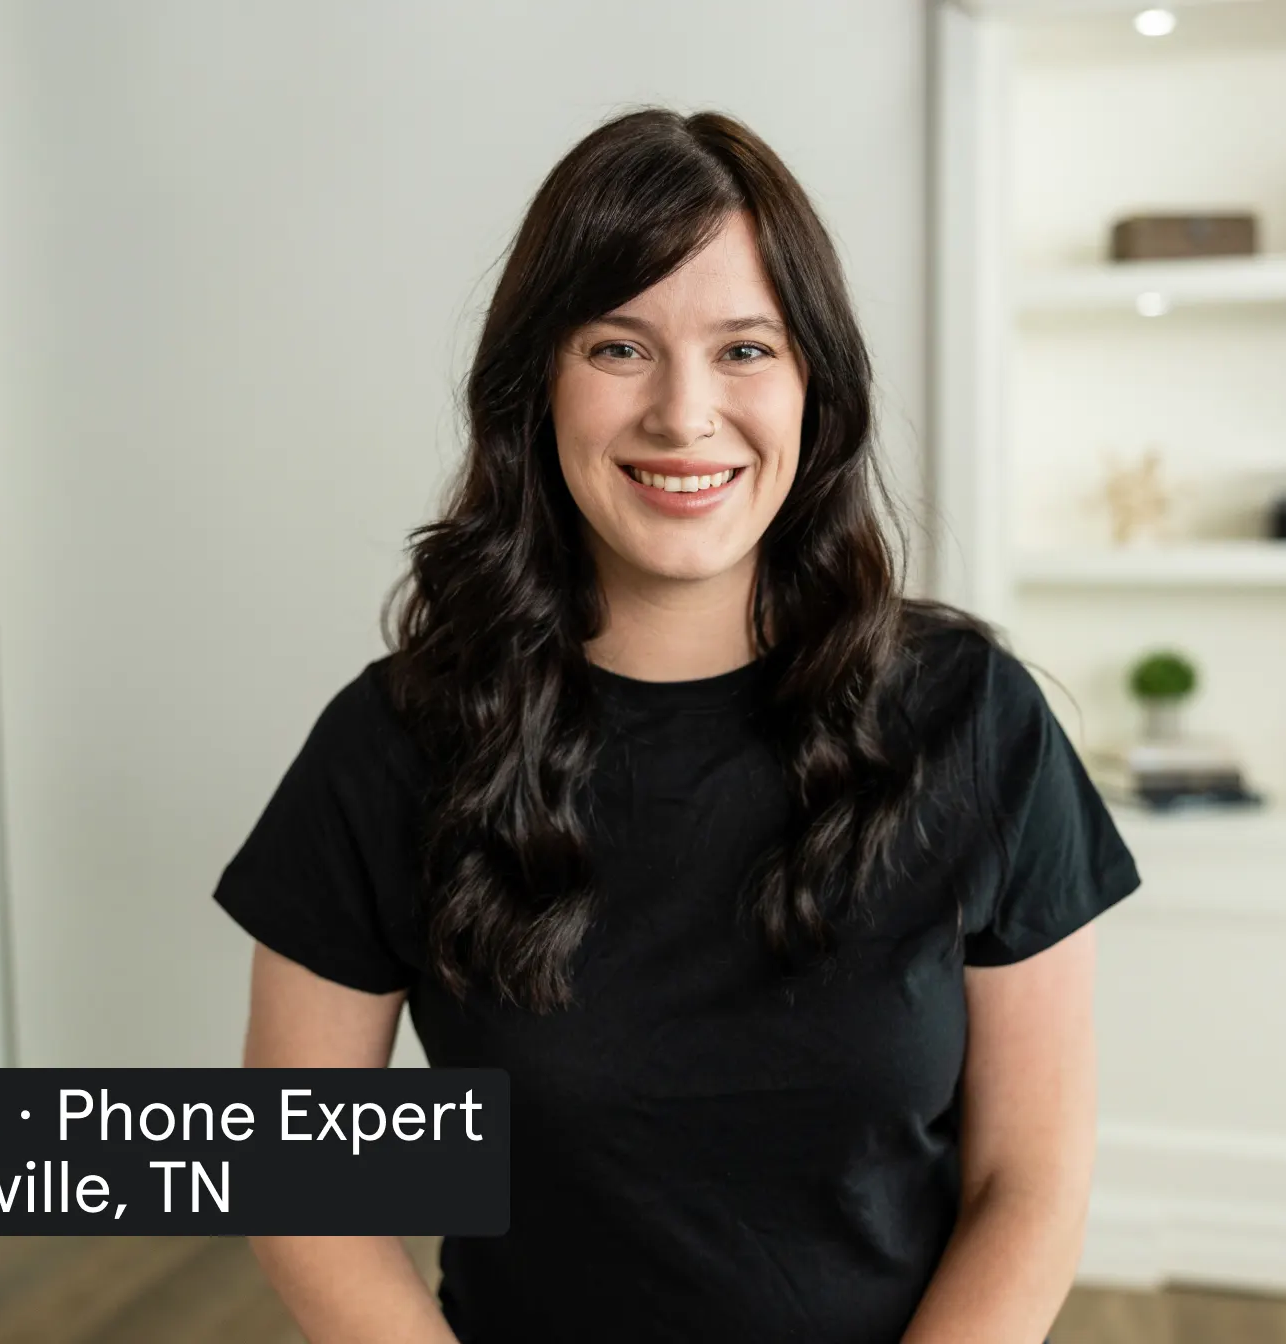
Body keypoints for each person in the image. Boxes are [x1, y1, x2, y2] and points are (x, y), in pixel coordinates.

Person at [213, 106, 1140, 1344]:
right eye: (619, 349)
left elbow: (1027, 1182)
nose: (684, 414)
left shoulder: (973, 718)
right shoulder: (394, 743)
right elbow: (307, 1183)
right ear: (537, 383)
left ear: (816, 384)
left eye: (745, 349)